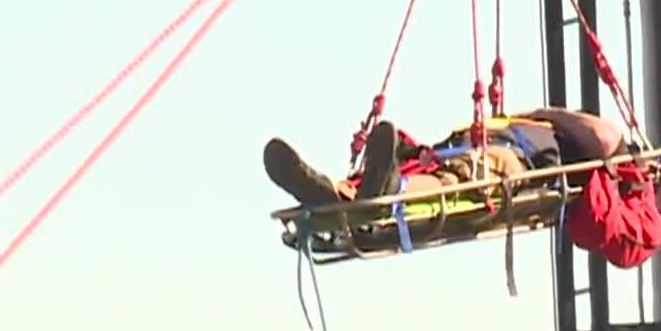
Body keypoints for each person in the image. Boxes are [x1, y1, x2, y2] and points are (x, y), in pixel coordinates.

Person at [263, 107, 627, 208]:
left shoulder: (560, 141)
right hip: (460, 150)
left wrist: (547, 112)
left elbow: (604, 136)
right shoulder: (531, 129)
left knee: (457, 179)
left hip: (505, 163)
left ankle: (389, 191)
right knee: (421, 161)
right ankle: (334, 191)